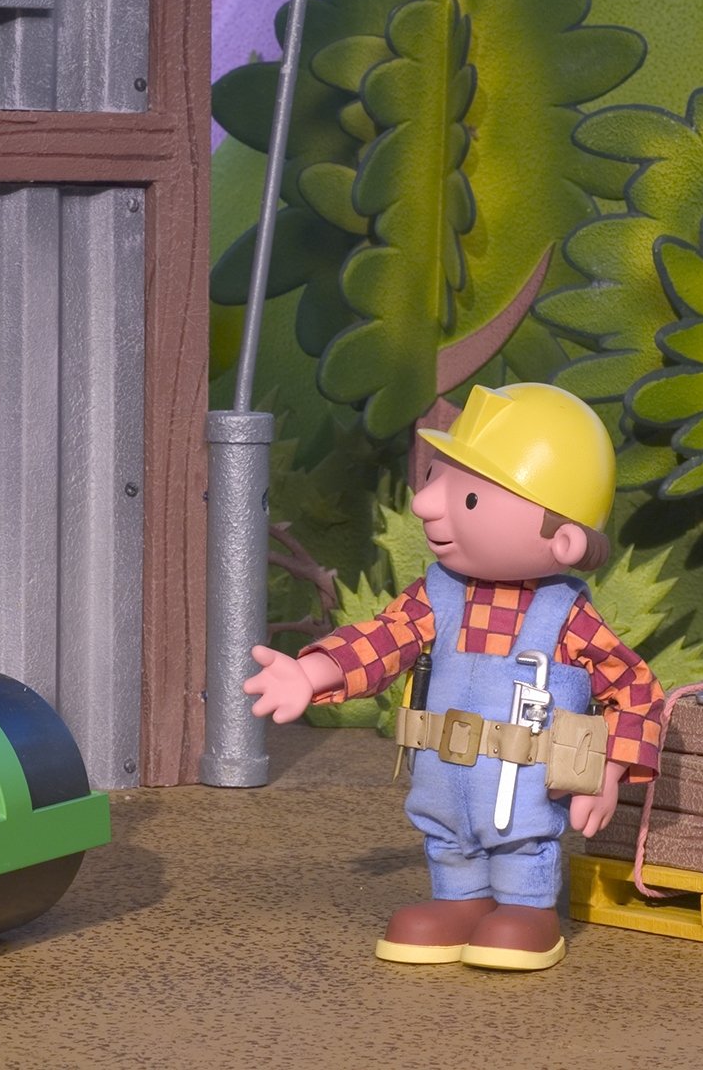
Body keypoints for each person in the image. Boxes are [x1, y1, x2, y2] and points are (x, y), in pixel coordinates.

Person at [244, 382, 664, 971]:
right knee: (447, 835)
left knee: (521, 839)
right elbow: (383, 640)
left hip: (523, 785)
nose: (425, 504)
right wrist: (313, 672)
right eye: (434, 478)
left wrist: (608, 771)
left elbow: (635, 688)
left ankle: (528, 909)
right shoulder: (437, 594)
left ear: (564, 539)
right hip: (443, 777)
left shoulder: (565, 616)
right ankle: (460, 901)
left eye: (467, 497)